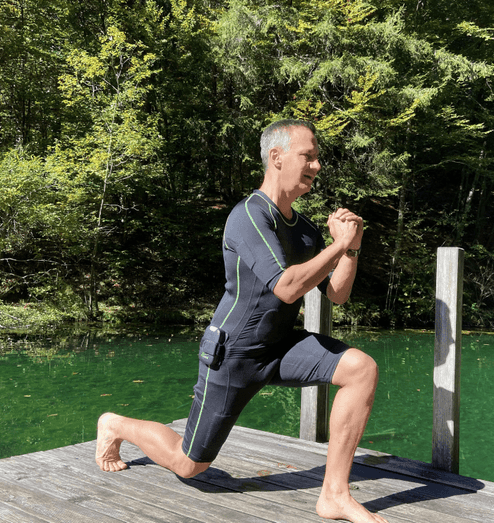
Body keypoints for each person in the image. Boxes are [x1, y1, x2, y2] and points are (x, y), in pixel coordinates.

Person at [95, 119, 387, 523]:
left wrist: (350, 250)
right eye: (309, 156)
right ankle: (116, 424)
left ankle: (334, 495)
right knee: (190, 464)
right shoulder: (248, 216)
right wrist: (337, 244)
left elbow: (336, 293)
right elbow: (286, 288)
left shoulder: (302, 230)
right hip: (233, 353)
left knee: (361, 368)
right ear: (277, 157)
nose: (317, 165)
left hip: (282, 346)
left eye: (318, 158)